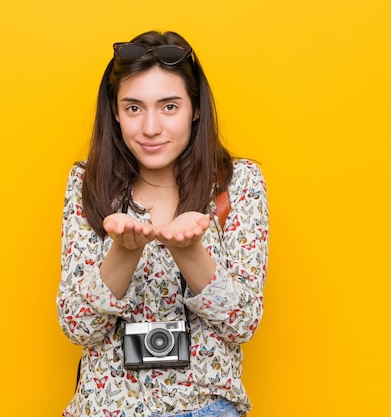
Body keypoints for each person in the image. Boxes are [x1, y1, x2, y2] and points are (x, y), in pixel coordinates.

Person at [56, 30, 269, 417]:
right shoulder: (88, 183)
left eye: (169, 107)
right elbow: (77, 327)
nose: (150, 127)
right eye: (134, 108)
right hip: (105, 409)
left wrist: (190, 252)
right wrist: (123, 252)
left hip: (207, 408)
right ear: (115, 112)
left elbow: (243, 324)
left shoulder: (237, 183)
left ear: (196, 108)